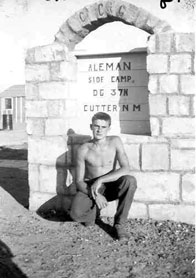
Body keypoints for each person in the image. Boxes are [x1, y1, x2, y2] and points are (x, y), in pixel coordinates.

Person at [70, 112, 137, 240]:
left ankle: (119, 225)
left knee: (130, 181)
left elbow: (125, 168)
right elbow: (78, 181)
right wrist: (96, 195)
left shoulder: (115, 141)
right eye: (96, 126)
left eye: (103, 127)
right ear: (91, 127)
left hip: (111, 185)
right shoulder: (83, 149)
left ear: (109, 128)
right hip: (92, 187)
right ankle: (93, 214)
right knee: (75, 214)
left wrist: (101, 180)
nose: (99, 130)